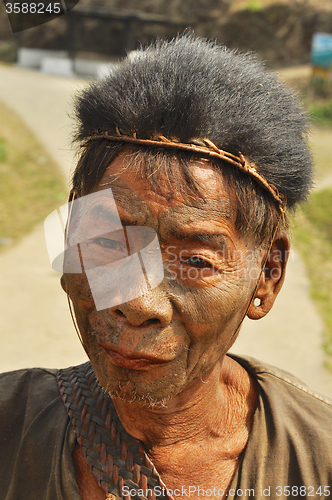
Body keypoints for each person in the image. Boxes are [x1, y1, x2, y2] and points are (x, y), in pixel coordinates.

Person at [0, 35, 331, 500]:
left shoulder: (318, 462)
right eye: (108, 241)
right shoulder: (9, 429)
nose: (138, 302)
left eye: (197, 260)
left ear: (268, 275)